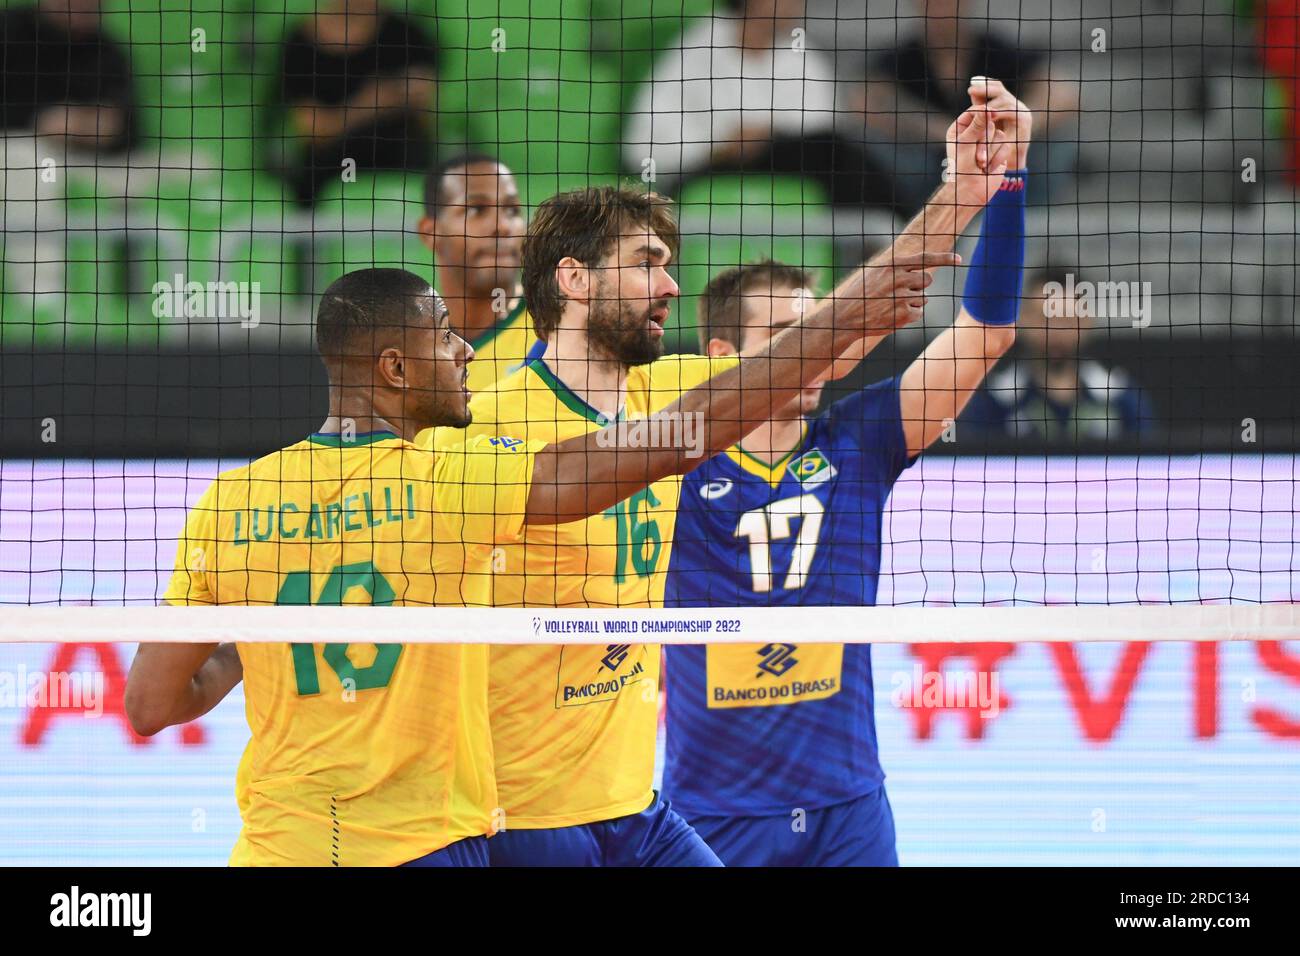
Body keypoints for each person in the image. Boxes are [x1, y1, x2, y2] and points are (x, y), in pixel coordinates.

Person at [123, 232, 945, 865]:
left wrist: (271, 632)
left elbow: (154, 703)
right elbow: (651, 452)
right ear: (393, 366)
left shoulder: (230, 502)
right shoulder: (458, 478)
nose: (468, 351)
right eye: (445, 338)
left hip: (278, 843)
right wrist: (859, 305)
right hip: (429, 841)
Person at [444, 95, 1009, 866]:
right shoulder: (487, 418)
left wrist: (966, 191)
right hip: (523, 809)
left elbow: (844, 326)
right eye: (647, 264)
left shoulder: (671, 387)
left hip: (635, 806)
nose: (671, 286)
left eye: (670, 267)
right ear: (573, 279)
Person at [660, 78, 1031, 866]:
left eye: (818, 330)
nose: (812, 351)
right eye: (788, 335)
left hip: (849, 809)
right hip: (713, 815)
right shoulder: (671, 462)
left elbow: (985, 335)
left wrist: (1005, 183)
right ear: (722, 356)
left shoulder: (860, 438)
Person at [622, 0, 904, 213]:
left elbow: (820, 137)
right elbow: (643, 144)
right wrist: (719, 147)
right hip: (708, 172)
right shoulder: (696, 49)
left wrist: (767, 137)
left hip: (785, 168)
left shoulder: (804, 59)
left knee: (840, 151)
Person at [867, 0, 1078, 203]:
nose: (940, 9)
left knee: (1051, 152)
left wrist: (1014, 130)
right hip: (928, 177)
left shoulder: (998, 50)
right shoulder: (900, 58)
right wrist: (945, 133)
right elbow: (866, 103)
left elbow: (1062, 94)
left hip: (1000, 170)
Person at [960, 268, 1157, 442]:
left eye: (1067, 319)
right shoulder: (993, 400)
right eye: (1046, 319)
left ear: (1086, 322)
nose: (1056, 331)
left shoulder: (1121, 397)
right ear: (1022, 320)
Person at [275, 0, 438, 204]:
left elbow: (427, 116)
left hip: (400, 162)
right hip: (330, 168)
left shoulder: (408, 34)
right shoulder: (301, 42)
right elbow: (314, 130)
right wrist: (368, 104)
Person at [416, 153, 537, 394]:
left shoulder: (559, 330)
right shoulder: (412, 354)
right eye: (477, 209)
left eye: (512, 210)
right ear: (431, 232)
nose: (502, 225)